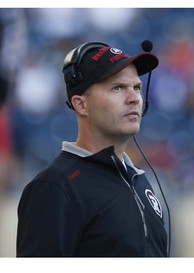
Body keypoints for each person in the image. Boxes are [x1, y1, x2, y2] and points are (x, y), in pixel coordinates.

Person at [16, 41, 169, 257]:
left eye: (136, 87)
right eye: (118, 88)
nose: (134, 98)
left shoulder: (138, 179)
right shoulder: (54, 187)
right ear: (81, 104)